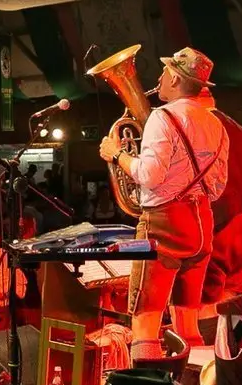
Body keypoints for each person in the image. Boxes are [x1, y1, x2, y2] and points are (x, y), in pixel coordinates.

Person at [97, 47, 229, 361]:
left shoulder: (162, 116)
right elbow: (218, 187)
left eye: (164, 72)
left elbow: (149, 175)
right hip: (201, 223)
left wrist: (117, 154)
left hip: (163, 224)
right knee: (188, 320)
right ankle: (192, 383)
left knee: (145, 316)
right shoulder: (216, 123)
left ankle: (144, 383)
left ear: (174, 78)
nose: (158, 79)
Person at [195, 87, 242, 314]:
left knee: (205, 310)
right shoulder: (240, 131)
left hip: (219, 229)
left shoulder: (198, 128)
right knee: (227, 310)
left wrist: (120, 157)